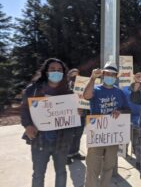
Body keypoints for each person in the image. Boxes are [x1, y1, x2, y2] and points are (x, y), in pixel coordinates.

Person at [21, 58, 74, 187]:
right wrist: (27, 125)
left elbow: (76, 114)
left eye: (59, 70)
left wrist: (77, 112)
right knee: (38, 174)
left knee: (61, 172)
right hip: (40, 140)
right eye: (52, 69)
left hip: (62, 140)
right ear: (46, 71)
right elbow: (24, 110)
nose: (56, 72)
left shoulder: (69, 91)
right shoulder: (32, 90)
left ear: (63, 73)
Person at [83, 61, 130, 187]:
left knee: (109, 167)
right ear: (103, 75)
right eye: (107, 74)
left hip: (112, 135)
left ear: (116, 77)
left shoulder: (119, 92)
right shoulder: (96, 89)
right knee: (93, 167)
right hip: (96, 135)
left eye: (113, 75)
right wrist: (92, 78)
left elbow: (127, 109)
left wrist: (120, 111)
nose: (110, 76)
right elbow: (86, 96)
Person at [67, 68, 86, 164]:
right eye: (73, 76)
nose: (75, 78)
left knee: (78, 135)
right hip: (70, 116)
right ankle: (67, 155)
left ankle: (75, 152)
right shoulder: (66, 87)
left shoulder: (84, 86)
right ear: (69, 76)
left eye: (77, 76)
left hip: (82, 115)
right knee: (69, 136)